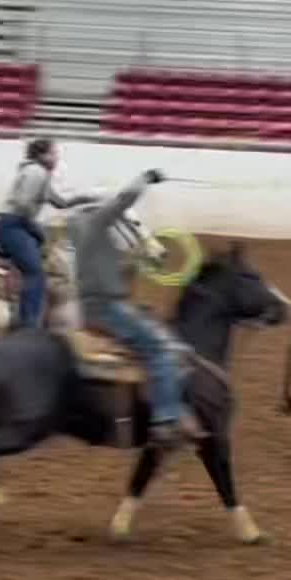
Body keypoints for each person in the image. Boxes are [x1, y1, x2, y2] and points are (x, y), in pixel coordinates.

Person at [67, 167, 194, 448]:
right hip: (108, 308)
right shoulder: (96, 223)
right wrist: (146, 178)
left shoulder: (82, 231)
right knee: (160, 349)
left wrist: (142, 257)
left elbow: (116, 263)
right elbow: (125, 199)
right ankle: (164, 420)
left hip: (93, 305)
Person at [0, 138, 96, 330]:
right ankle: (29, 324)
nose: (56, 158)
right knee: (35, 273)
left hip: (14, 223)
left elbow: (60, 202)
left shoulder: (38, 173)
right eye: (53, 153)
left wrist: (89, 198)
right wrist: (33, 227)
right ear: (42, 155)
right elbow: (23, 203)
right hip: (15, 225)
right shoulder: (36, 172)